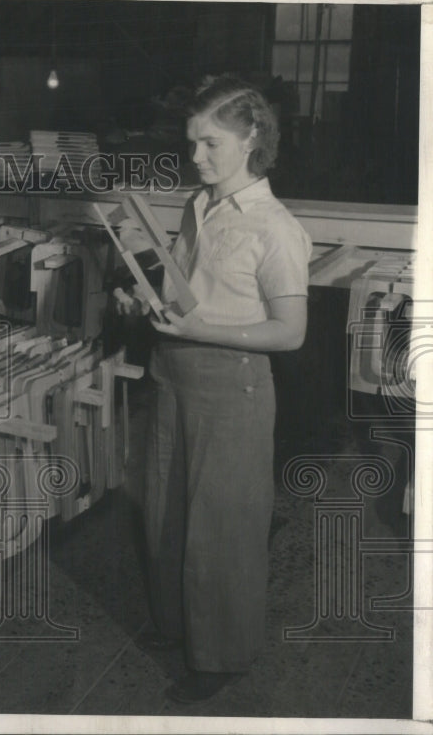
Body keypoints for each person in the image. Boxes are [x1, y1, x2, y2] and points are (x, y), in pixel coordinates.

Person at [123, 76, 312, 703]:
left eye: (210, 144)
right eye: (192, 144)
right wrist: (147, 300)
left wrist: (203, 326)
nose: (196, 158)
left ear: (252, 138)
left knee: (222, 526)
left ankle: (222, 654)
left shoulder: (275, 227)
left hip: (233, 386)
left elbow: (291, 333)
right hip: (174, 371)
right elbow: (187, 288)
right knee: (165, 507)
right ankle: (178, 624)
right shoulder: (197, 206)